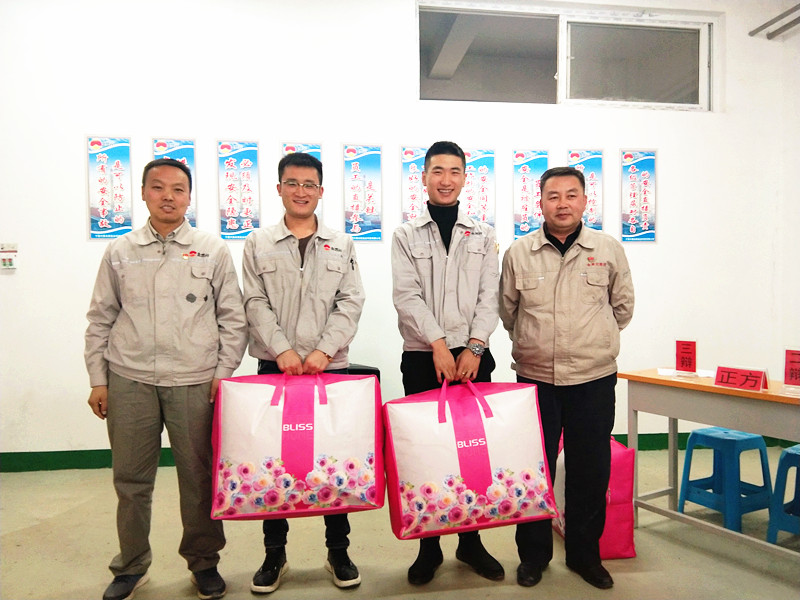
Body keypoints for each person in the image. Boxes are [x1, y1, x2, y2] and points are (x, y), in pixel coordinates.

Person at [85, 158, 248, 600]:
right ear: (143, 193)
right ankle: (130, 566)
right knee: (131, 481)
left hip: (194, 380)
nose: (168, 197)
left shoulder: (211, 249)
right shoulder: (120, 251)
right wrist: (98, 379)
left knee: (198, 479)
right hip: (129, 378)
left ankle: (204, 563)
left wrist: (223, 373)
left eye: (178, 189)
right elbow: (101, 318)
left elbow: (233, 318)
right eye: (158, 187)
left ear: (189, 197)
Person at [499, 166, 635, 590]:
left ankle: (584, 555)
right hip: (535, 379)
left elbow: (623, 307)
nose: (562, 204)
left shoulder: (607, 249)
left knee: (589, 471)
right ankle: (533, 556)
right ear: (539, 202)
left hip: (593, 378)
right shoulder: (519, 252)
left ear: (584, 201)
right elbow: (508, 311)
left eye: (571, 195)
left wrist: (593, 340)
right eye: (553, 196)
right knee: (532, 469)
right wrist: (535, 342)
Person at [242, 152, 366, 594]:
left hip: (329, 368)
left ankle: (339, 551)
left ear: (321, 191)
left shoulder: (340, 243)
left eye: (309, 184)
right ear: (279, 189)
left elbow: (351, 301)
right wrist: (283, 350)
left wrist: (322, 351)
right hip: (274, 368)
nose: (301, 191)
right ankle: (274, 554)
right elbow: (254, 301)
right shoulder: (257, 242)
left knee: (334, 460)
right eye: (292, 183)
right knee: (273, 462)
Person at [391, 141, 504, 585]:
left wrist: (474, 347)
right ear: (423, 177)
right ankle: (429, 545)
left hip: (474, 358)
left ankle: (471, 542)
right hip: (423, 357)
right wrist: (438, 344)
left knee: (473, 452)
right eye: (437, 171)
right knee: (428, 452)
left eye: (454, 171)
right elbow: (406, 296)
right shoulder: (406, 235)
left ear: (464, 178)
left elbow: (490, 296)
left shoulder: (483, 234)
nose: (446, 179)